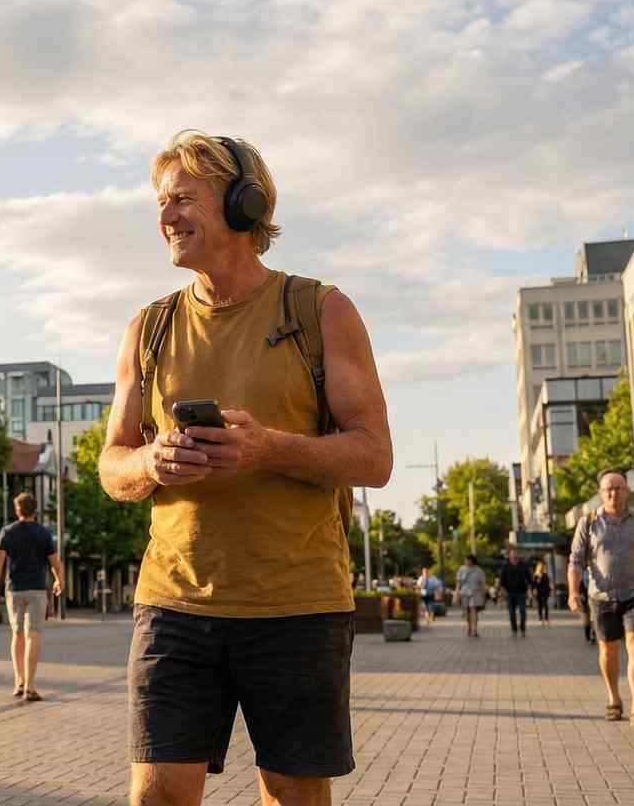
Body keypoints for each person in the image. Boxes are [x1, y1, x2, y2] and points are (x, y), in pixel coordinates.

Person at [97, 130, 393, 806]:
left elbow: (374, 455)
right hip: (172, 604)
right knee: (157, 794)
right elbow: (112, 465)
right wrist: (152, 460)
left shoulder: (320, 310)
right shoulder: (149, 327)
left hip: (296, 604)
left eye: (181, 198)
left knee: (291, 792)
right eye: (160, 201)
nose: (165, 216)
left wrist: (269, 448)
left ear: (242, 201)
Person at [570, 469, 634, 728]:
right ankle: (614, 699)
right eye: (608, 489)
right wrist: (573, 592)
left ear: (627, 491)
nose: (613, 492)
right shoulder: (589, 522)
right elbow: (575, 561)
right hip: (601, 596)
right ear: (600, 493)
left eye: (618, 488)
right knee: (608, 649)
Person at [0, 492, 64, 702]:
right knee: (34, 634)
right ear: (35, 510)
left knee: (17, 634)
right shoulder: (43, 533)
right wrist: (59, 580)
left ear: (17, 510)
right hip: (37, 590)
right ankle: (30, 684)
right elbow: (55, 562)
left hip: (14, 590)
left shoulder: (7, 532)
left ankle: (18, 681)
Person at [499, 548, 533, 637]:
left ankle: (523, 629)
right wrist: (502, 592)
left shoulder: (524, 565)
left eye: (515, 554)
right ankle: (514, 629)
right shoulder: (506, 566)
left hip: (521, 592)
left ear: (518, 555)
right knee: (511, 613)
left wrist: (530, 590)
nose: (514, 555)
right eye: (512, 554)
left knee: (522, 611)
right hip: (510, 593)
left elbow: (529, 580)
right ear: (509, 555)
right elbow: (502, 581)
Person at [455, 556, 487, 638]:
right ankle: (469, 626)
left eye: (468, 560)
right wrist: (457, 593)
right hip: (464, 593)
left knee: (474, 610)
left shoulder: (479, 571)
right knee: (467, 612)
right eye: (465, 560)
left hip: (475, 593)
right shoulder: (461, 569)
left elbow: (483, 583)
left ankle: (474, 630)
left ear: (472, 561)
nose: (466, 562)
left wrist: (484, 594)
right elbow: (458, 583)